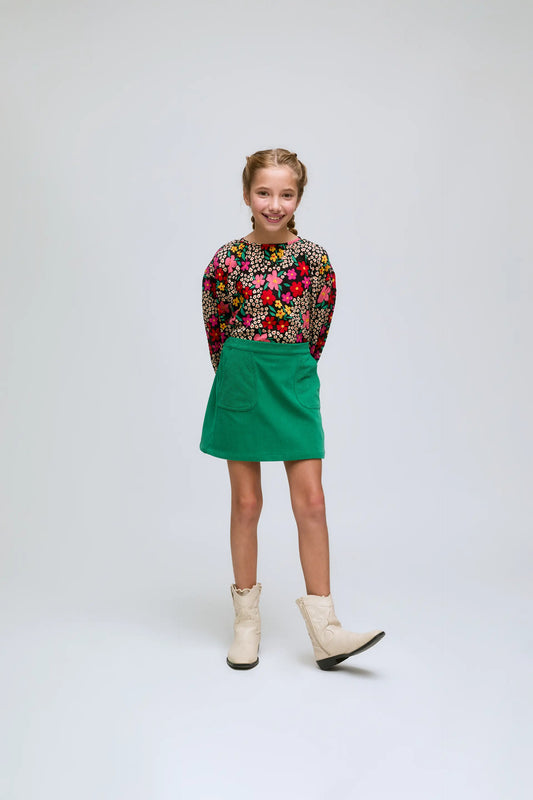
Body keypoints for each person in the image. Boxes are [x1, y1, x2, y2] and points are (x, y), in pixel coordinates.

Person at [200, 148, 385, 670]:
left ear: (299, 198)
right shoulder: (226, 260)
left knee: (313, 503)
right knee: (246, 504)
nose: (274, 204)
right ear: (246, 196)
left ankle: (326, 631)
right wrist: (238, 372)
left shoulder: (315, 259)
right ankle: (246, 623)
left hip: (293, 379)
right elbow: (215, 325)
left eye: (286, 194)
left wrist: (294, 369)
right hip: (242, 376)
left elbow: (318, 327)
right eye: (264, 192)